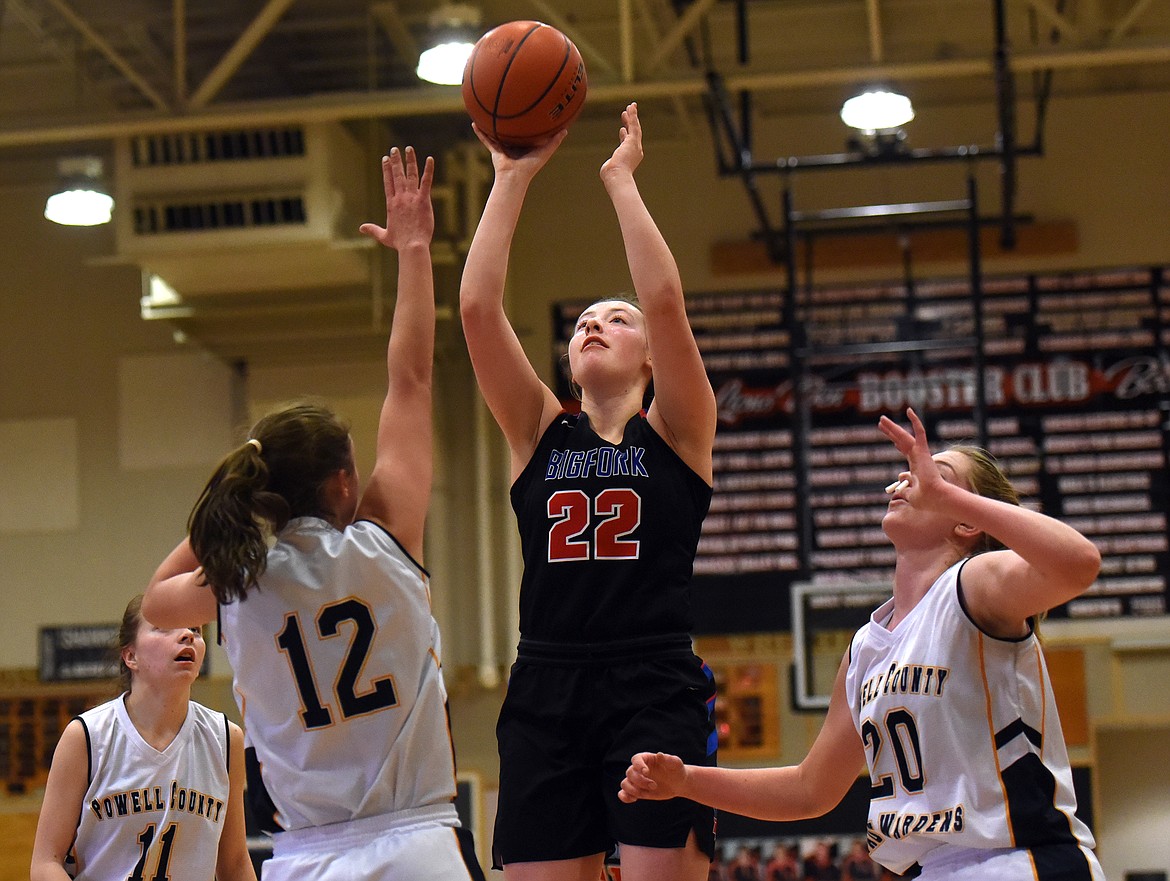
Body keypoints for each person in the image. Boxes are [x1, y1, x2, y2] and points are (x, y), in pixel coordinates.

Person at [142, 147, 484, 881]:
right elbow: (413, 377)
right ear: (342, 481)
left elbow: (153, 601)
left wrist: (236, 498)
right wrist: (415, 251)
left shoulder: (235, 582)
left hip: (307, 858)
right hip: (416, 843)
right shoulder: (387, 535)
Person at [619, 407, 1106, 881]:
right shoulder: (866, 648)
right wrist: (685, 782)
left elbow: (1079, 563)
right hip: (930, 868)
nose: (910, 478)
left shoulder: (972, 584)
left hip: (1021, 860)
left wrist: (950, 495)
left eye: (937, 475)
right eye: (915, 471)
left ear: (966, 522)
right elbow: (810, 790)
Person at [459, 102, 719, 881]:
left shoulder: (677, 428)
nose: (594, 326)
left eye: (616, 319)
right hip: (546, 682)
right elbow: (476, 311)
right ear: (567, 360)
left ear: (649, 360)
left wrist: (619, 181)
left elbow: (666, 302)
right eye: (581, 324)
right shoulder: (539, 429)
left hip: (655, 681)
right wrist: (509, 177)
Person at [30, 594, 255, 881]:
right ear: (131, 656)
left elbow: (234, 862)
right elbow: (46, 862)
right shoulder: (87, 736)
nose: (187, 634)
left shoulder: (226, 739)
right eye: (164, 627)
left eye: (195, 630)